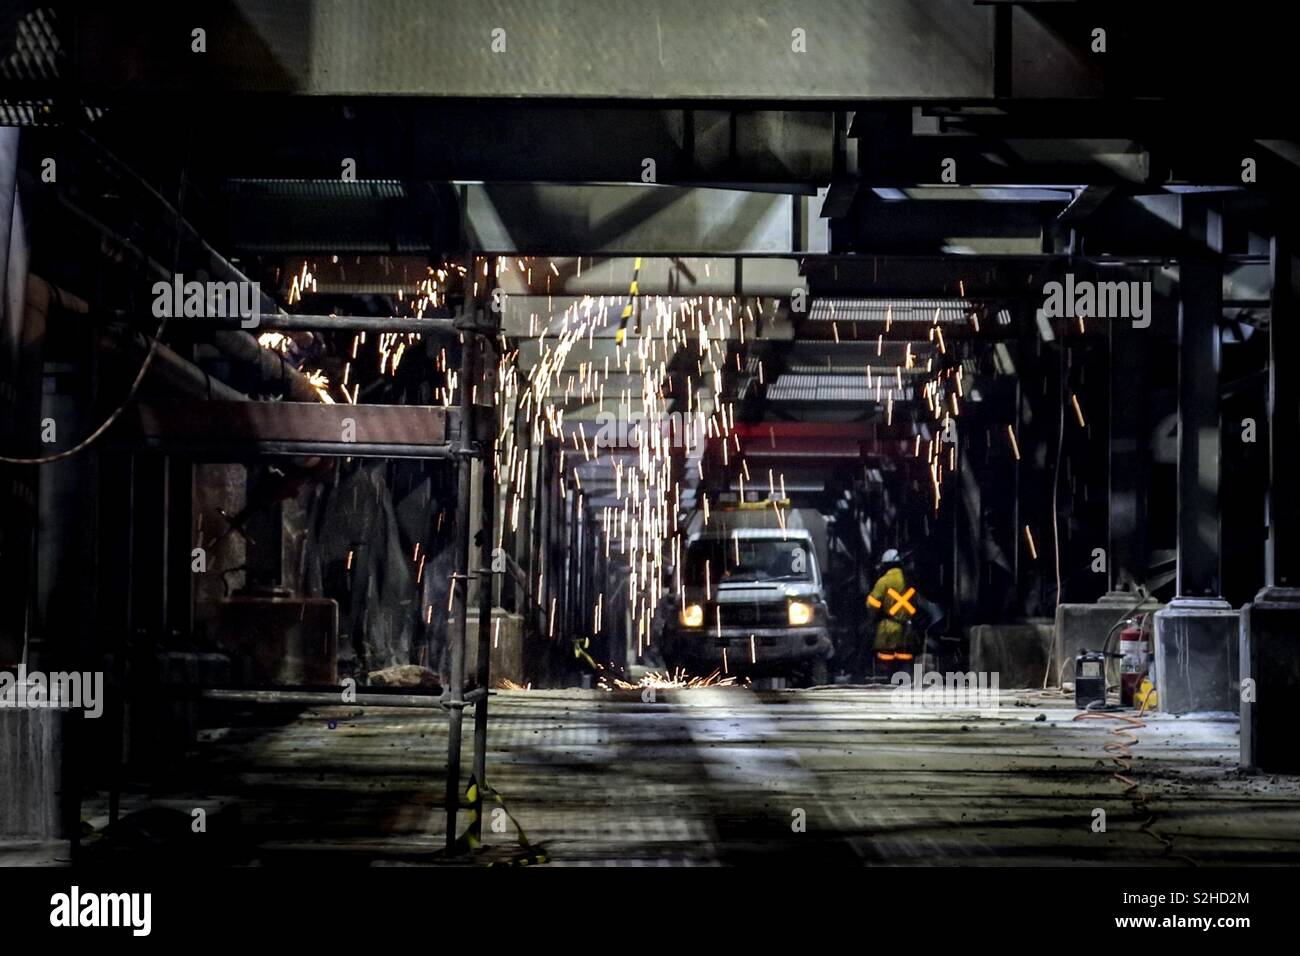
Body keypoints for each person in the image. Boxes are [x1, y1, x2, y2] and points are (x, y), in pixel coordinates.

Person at [865, 549, 923, 677]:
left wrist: (874, 617)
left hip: (888, 628)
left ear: (885, 565)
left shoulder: (883, 581)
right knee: (904, 659)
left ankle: (887, 681)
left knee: (886, 660)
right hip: (907, 629)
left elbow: (872, 604)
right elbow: (918, 603)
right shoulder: (909, 580)